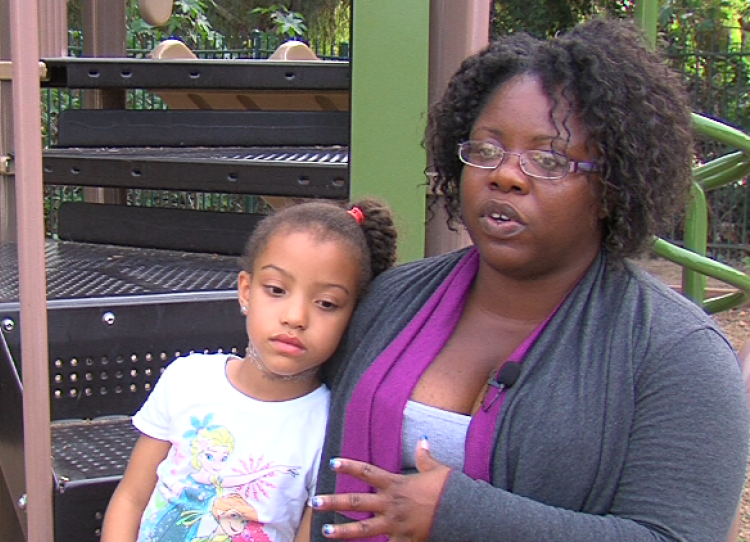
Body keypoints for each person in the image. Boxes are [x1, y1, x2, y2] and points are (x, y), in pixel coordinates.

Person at [308, 17, 750, 542]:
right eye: (488, 150)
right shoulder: (390, 300)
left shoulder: (677, 354)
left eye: (548, 159)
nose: (506, 175)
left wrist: (462, 516)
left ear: (611, 187)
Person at [100, 198, 398, 542]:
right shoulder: (186, 379)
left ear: (353, 317)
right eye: (276, 290)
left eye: (327, 303)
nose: (295, 317)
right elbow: (131, 497)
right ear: (246, 290)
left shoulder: (333, 426)